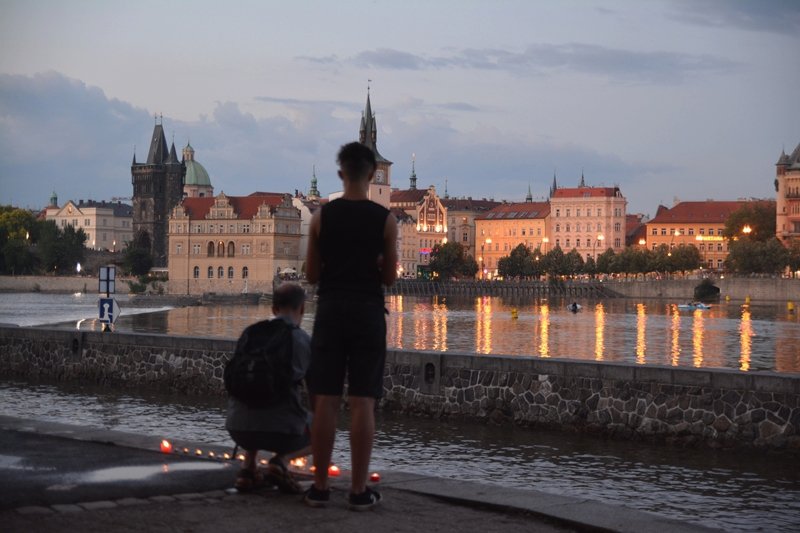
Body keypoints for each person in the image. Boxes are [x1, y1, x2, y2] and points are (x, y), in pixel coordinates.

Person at [304, 142, 398, 510]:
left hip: (330, 310)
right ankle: (358, 490)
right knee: (363, 402)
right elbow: (390, 278)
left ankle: (320, 486)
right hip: (368, 312)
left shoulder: (321, 219)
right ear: (372, 174)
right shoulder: (385, 220)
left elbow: (311, 275)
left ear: (341, 174)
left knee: (325, 399)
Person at [225, 282, 311, 493]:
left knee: (254, 395)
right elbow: (317, 394)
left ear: (273, 309)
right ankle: (281, 461)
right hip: (280, 433)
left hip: (237, 429)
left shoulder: (250, 333)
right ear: (302, 309)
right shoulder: (301, 339)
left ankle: (248, 468)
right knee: (324, 426)